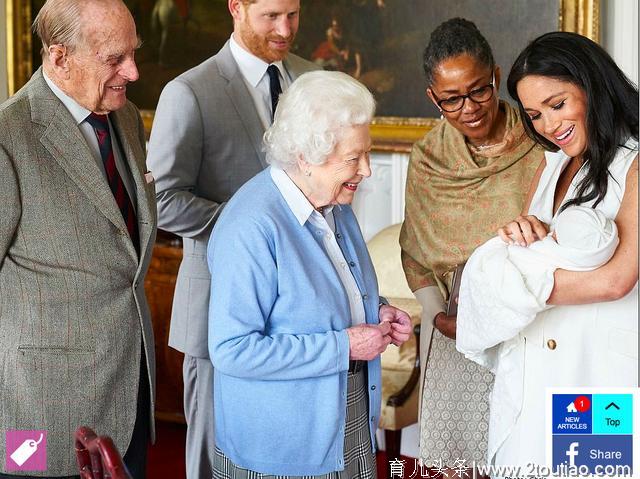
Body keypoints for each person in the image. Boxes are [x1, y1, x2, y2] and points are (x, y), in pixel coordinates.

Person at [208, 70, 412, 477]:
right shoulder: (251, 226)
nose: (367, 170)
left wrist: (378, 313)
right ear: (305, 157)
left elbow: (329, 297)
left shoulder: (336, 205)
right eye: (354, 158)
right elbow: (232, 349)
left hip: (347, 420)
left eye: (367, 154)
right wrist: (344, 347)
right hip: (282, 448)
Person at [145, 0, 318, 477]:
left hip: (300, 310)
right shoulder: (190, 92)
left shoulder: (312, 79)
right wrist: (252, 227)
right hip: (219, 305)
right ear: (236, 8)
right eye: (271, 16)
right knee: (211, 454)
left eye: (294, 14)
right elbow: (162, 201)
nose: (285, 30)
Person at [0, 0, 156, 477]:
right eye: (115, 59)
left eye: (134, 53)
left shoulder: (125, 119)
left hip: (130, 391)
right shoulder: (9, 134)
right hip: (39, 406)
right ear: (60, 56)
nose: (132, 71)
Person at [398, 18, 545, 467]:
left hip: (535, 315)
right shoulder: (428, 160)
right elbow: (415, 251)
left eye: (480, 90)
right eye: (451, 99)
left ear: (496, 77)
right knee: (463, 459)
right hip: (455, 324)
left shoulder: (542, 140)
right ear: (433, 97)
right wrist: (437, 313)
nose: (470, 108)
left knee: (530, 454)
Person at [489, 31, 638, 468]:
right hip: (535, 359)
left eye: (558, 104)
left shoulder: (634, 163)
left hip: (595, 375)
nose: (549, 126)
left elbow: (616, 280)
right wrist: (521, 233)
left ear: (593, 87)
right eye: (535, 114)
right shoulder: (552, 163)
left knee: (589, 469)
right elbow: (536, 249)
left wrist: (509, 287)